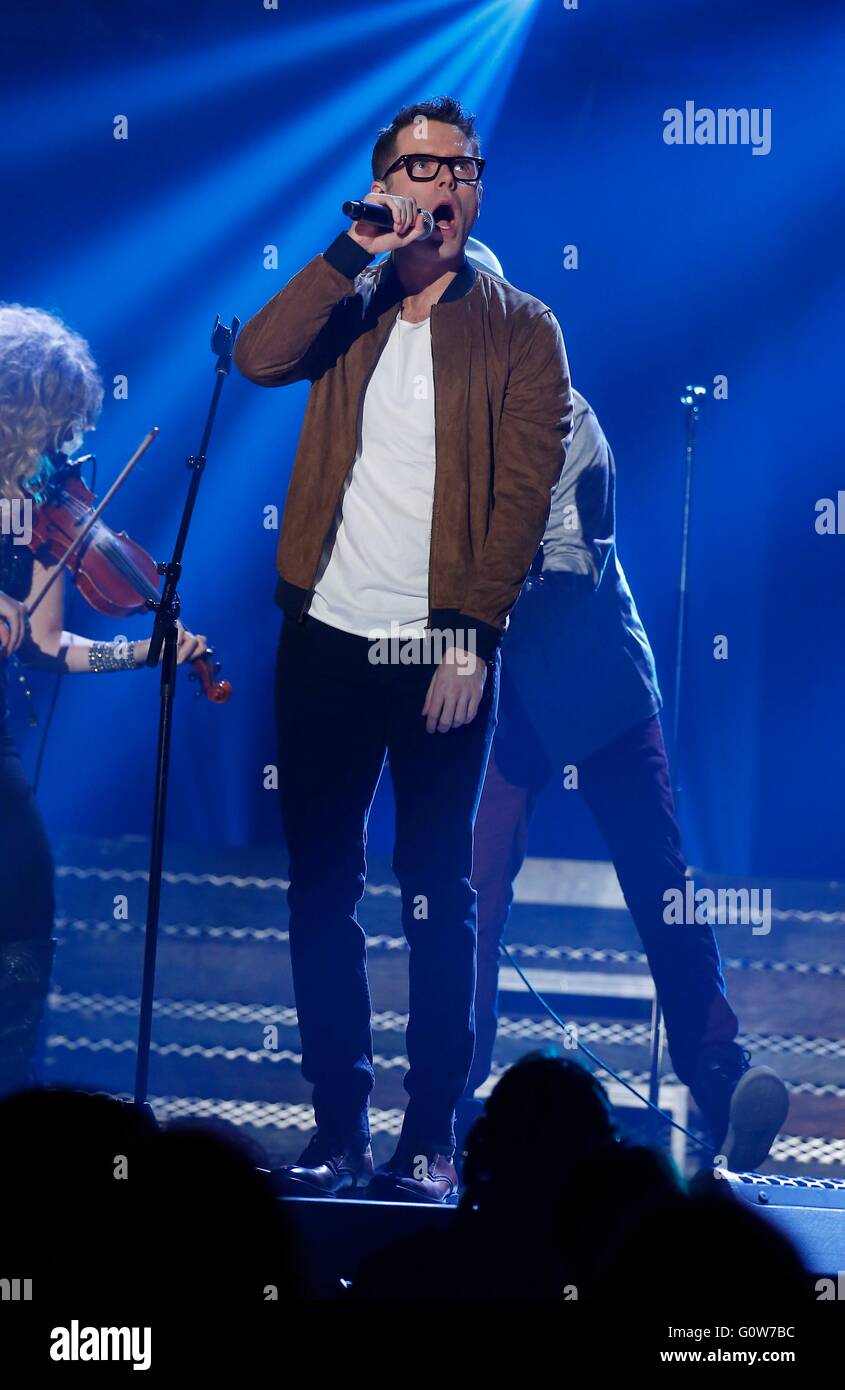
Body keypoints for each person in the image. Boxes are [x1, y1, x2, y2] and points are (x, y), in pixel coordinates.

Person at [234, 95, 573, 1202]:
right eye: (420, 169)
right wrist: (351, 249)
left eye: (461, 168)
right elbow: (256, 358)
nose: (444, 186)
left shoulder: (522, 326)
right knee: (318, 889)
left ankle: (430, 1134)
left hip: (440, 648)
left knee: (434, 889)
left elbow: (521, 495)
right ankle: (337, 1120)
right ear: (386, 183)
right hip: (325, 635)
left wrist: (471, 637)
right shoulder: (351, 298)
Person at [460, 360, 789, 1173]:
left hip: (594, 681)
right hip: (500, 690)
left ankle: (718, 1076)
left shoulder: (569, 422)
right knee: (471, 888)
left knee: (658, 881)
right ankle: (442, 1093)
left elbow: (571, 562)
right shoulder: (429, 420)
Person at [0, 303, 207, 1096]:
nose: (65, 450)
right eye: (54, 426)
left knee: (23, 903)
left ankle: (12, 1093)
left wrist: (144, 650)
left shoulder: (40, 515)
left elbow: (50, 646)